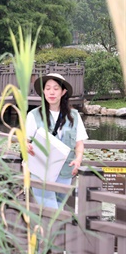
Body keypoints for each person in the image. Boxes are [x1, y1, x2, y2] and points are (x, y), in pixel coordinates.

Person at [26, 73, 88, 209]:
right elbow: (25, 140)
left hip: (65, 171)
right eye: (47, 88)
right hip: (40, 171)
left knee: (58, 210)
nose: (51, 92)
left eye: (55, 88)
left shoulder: (74, 116)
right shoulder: (33, 115)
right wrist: (26, 146)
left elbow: (79, 143)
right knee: (50, 209)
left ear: (63, 92)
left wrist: (78, 160)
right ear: (43, 91)